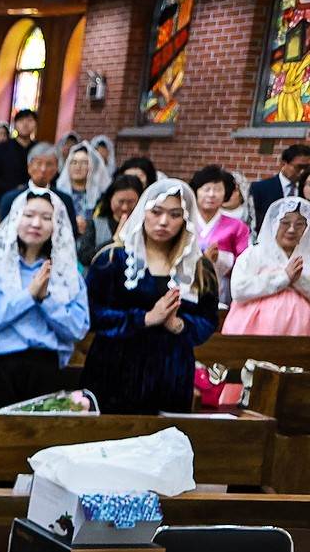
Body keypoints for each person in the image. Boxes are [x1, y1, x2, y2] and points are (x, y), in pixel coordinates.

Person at [82, 178, 218, 415]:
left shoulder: (197, 267)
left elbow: (208, 319)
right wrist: (144, 318)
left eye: (175, 215)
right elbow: (92, 313)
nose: (164, 221)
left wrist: (178, 324)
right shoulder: (112, 259)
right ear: (143, 211)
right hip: (116, 368)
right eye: (156, 212)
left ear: (186, 219)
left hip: (170, 371)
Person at [0, 191, 90, 409]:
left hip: (45, 366)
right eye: (28, 215)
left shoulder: (66, 274)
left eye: (46, 218)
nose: (36, 224)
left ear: (57, 225)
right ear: (15, 218)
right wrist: (28, 296)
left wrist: (45, 299)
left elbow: (78, 328)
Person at [226, 197, 310, 335]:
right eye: (285, 223)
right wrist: (283, 277)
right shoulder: (254, 254)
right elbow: (238, 289)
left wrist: (298, 280)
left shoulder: (307, 257)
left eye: (299, 224)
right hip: (254, 329)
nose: (291, 229)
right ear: (274, 223)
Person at [190, 164, 252, 295]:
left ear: (225, 193)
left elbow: (244, 262)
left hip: (222, 288)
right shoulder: (186, 222)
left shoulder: (237, 226)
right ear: (196, 191)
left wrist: (220, 259)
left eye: (217, 189)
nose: (211, 194)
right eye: (206, 189)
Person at [0, 141, 74, 222]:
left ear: (56, 169)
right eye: (39, 163)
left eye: (49, 164)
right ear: (29, 167)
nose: (43, 169)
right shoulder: (10, 199)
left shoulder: (64, 200)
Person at [56, 141, 110, 250]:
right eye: (74, 162)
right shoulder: (58, 194)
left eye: (84, 162)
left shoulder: (101, 196)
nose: (78, 167)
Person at [249, 143, 310, 225]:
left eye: (306, 168)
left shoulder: (306, 189)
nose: (302, 172)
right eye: (298, 167)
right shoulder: (260, 188)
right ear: (284, 164)